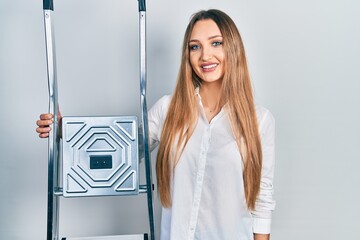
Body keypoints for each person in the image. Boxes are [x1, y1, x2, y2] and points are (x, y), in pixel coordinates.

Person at [36, 9, 275, 240]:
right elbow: (120, 154)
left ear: (233, 47)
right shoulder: (167, 110)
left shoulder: (260, 120)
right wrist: (64, 131)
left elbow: (262, 200)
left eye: (216, 43)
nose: (205, 56)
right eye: (195, 46)